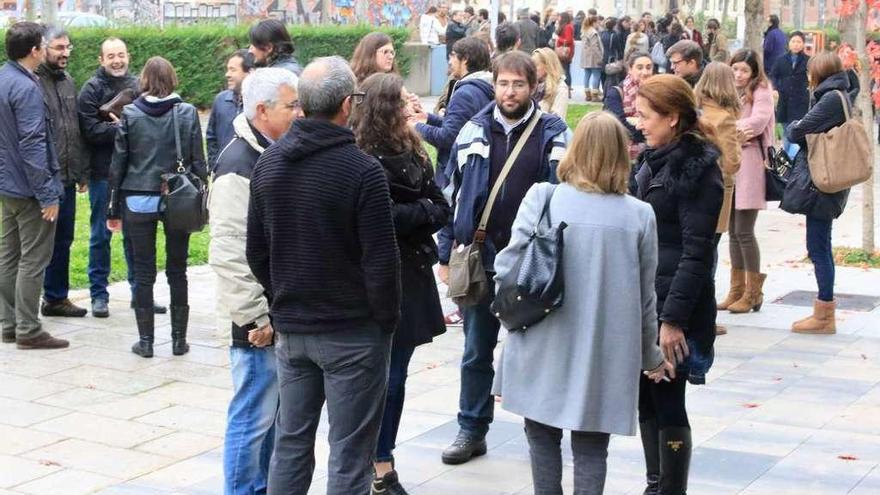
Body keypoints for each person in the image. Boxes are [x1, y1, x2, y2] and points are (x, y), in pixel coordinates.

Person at [493, 111, 673, 495]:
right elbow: (645, 299)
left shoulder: (544, 198)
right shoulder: (640, 216)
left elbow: (507, 268)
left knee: (540, 435)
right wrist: (650, 357)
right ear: (621, 156)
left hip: (540, 339)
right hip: (603, 352)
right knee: (592, 447)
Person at [248, 57, 400, 495]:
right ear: (347, 106)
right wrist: (384, 323)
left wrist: (284, 296)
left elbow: (256, 251)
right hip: (351, 332)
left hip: (294, 330)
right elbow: (380, 262)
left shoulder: (269, 163)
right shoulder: (363, 170)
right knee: (350, 454)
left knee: (292, 444)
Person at [435, 51, 570, 465]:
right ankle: (471, 428)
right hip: (482, 258)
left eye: (518, 84)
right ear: (494, 84)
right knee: (477, 349)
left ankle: (541, 434)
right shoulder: (473, 129)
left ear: (534, 87)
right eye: (504, 83)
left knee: (535, 350)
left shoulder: (553, 131)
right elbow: (448, 193)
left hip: (533, 262)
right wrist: (444, 252)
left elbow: (563, 195)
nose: (510, 92)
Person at [351, 72, 452, 495]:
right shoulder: (361, 157)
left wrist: (418, 209)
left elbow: (441, 206)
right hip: (377, 277)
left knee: (398, 375)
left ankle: (382, 457)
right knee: (379, 377)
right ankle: (375, 464)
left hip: (411, 273)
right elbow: (381, 219)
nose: (412, 106)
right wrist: (420, 210)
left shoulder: (413, 147)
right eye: (403, 100)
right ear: (384, 107)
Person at [211, 67, 302, 495]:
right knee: (253, 419)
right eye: (292, 105)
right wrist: (255, 318)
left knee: (272, 420)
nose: (300, 112)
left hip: (277, 313)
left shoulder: (273, 152)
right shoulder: (237, 164)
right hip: (254, 324)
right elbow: (228, 253)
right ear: (262, 110)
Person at [632, 74, 723, 495]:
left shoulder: (697, 171)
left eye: (646, 115)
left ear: (672, 118)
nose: (638, 122)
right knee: (645, 397)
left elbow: (696, 253)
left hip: (674, 310)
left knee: (668, 399)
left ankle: (670, 490)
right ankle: (655, 484)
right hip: (647, 302)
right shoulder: (653, 159)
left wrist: (671, 321)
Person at [107, 57, 207, 358]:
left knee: (143, 271)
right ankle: (179, 341)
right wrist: (202, 194)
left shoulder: (130, 113)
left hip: (137, 197)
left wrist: (112, 207)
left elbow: (119, 163)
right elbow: (198, 161)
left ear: (145, 81)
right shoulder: (187, 112)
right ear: (173, 78)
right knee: (178, 270)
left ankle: (146, 342)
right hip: (178, 198)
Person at [0, 22, 68, 350]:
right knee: (33, 258)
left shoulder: (3, 78)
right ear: (34, 51)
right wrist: (47, 194)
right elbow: (31, 143)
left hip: (7, 186)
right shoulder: (27, 87)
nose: (45, 48)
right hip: (28, 189)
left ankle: (9, 324)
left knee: (9, 255)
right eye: (43, 45)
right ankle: (28, 328)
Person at [77, 37, 150, 318]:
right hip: (102, 174)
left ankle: (139, 294)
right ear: (101, 60)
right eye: (111, 56)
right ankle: (98, 295)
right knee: (100, 235)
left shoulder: (137, 86)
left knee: (136, 236)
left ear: (128, 56)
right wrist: (122, 130)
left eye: (121, 55)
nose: (117, 60)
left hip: (134, 174)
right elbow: (90, 130)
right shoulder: (91, 90)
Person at [785, 53, 855, 334]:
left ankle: (825, 313)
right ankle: (824, 311)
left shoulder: (830, 99)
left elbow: (797, 131)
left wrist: (792, 126)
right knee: (819, 244)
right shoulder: (837, 94)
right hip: (827, 178)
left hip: (824, 182)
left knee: (818, 246)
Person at [37, 26, 89, 319]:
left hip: (67, 177)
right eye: (58, 48)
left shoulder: (68, 81)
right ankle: (25, 302)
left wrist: (81, 171)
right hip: (41, 178)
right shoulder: (32, 82)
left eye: (68, 47)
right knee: (37, 243)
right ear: (42, 48)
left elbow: (73, 129)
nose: (65, 53)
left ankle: (56, 298)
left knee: (64, 239)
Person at [719, 50, 774, 315]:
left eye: (743, 70)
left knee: (744, 230)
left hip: (750, 162)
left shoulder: (761, 90)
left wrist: (727, 127)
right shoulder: (730, 91)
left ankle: (754, 292)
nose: (738, 74)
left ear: (753, 72)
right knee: (731, 229)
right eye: (735, 69)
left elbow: (759, 121)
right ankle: (736, 289)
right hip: (730, 162)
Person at [695, 63, 743, 336]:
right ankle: (705, 318)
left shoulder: (696, 112)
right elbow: (730, 162)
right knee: (708, 255)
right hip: (716, 192)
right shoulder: (724, 118)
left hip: (693, 190)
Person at [413, 36, 493, 173]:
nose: (450, 62)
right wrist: (428, 118)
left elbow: (448, 137)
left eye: (453, 56)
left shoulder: (465, 93)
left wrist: (415, 126)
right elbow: (461, 126)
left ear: (465, 59)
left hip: (457, 171)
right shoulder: (484, 86)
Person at [206, 50, 253, 171]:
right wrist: (214, 166)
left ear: (249, 72)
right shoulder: (220, 100)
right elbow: (211, 138)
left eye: (233, 70)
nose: (227, 74)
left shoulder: (259, 103)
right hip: (223, 173)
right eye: (227, 69)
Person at [604, 50, 654, 160]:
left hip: (651, 157)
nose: (645, 72)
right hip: (621, 156)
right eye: (640, 68)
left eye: (649, 67)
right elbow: (618, 126)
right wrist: (647, 133)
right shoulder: (616, 93)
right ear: (630, 69)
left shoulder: (658, 93)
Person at [770, 31, 810, 143]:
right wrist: (775, 88)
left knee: (798, 129)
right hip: (784, 99)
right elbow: (773, 75)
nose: (796, 44)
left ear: (803, 44)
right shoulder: (780, 60)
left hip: (801, 100)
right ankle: (788, 155)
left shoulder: (808, 61)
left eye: (799, 41)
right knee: (786, 129)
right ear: (789, 43)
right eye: (793, 41)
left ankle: (795, 155)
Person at [533, 48, 569, 119]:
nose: (531, 68)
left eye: (535, 65)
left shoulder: (560, 88)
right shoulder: (530, 86)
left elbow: (557, 120)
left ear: (547, 66)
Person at [580, 15, 604, 102]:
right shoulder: (593, 32)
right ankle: (595, 95)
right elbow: (595, 46)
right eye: (598, 22)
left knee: (587, 75)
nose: (599, 24)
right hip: (593, 58)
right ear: (594, 23)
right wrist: (600, 57)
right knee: (596, 75)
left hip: (586, 57)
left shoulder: (584, 31)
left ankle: (587, 95)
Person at [555, 11, 575, 96]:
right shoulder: (564, 26)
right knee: (564, 69)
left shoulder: (568, 27)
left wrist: (558, 39)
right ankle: (566, 89)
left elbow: (568, 40)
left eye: (559, 17)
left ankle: (567, 90)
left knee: (565, 70)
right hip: (563, 50)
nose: (558, 18)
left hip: (565, 51)